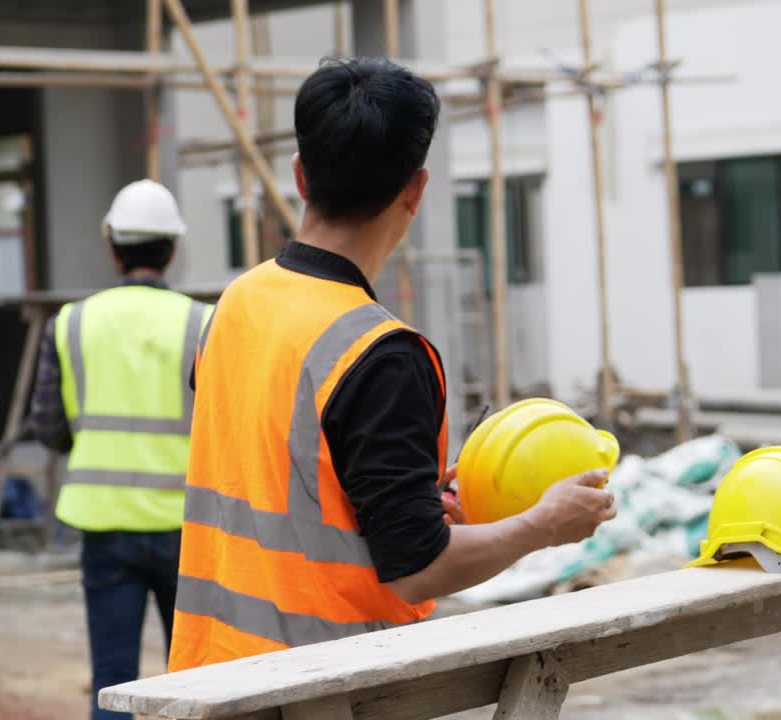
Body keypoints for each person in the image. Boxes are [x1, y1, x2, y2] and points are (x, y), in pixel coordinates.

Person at [168, 58, 616, 671]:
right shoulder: (381, 354)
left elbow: (280, 480)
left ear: (300, 176)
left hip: (212, 674)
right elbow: (417, 569)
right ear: (416, 190)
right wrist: (544, 524)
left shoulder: (235, 302)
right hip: (319, 692)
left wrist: (406, 501)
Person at [31, 179, 212, 719]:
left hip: (105, 528)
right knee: (202, 682)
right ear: (173, 249)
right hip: (187, 529)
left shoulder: (71, 323)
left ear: (112, 246)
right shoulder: (203, 324)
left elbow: (50, 429)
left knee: (113, 681)